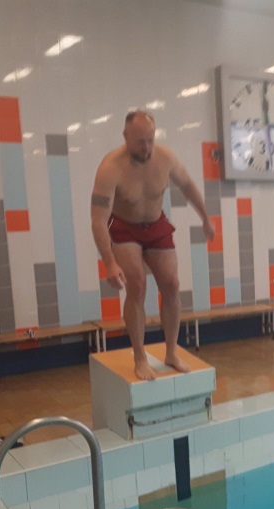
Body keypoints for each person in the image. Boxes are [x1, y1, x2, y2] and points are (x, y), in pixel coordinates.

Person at [91, 110, 215, 380]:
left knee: (171, 283)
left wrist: (206, 218)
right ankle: (140, 356)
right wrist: (109, 263)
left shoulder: (165, 158)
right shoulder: (110, 168)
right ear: (126, 137)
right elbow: (98, 220)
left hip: (156, 224)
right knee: (137, 285)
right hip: (124, 228)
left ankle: (171, 352)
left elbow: (188, 187)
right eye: (140, 142)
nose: (147, 148)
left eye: (150, 140)